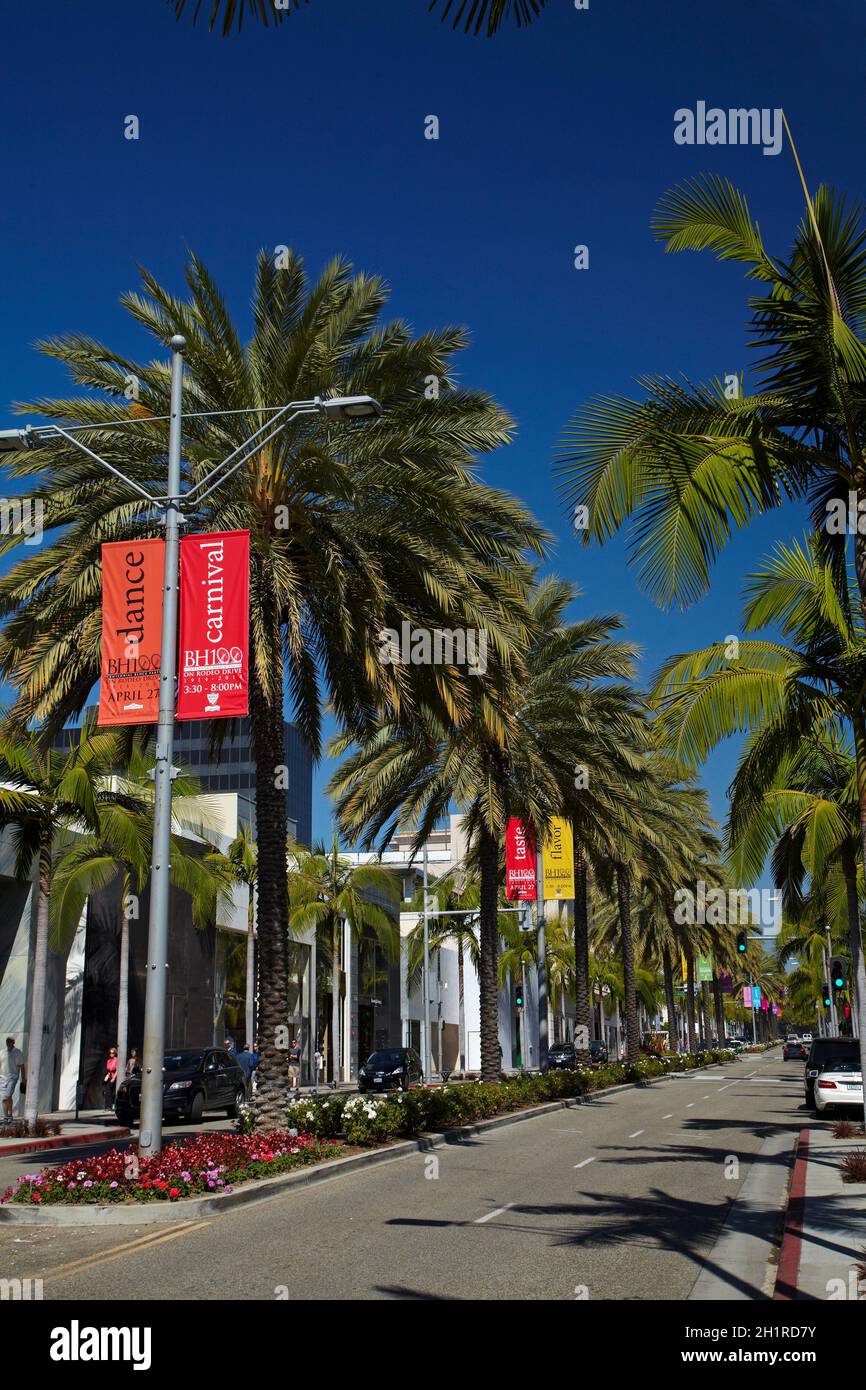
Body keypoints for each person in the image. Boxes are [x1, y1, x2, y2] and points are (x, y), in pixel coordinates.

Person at [1, 1036, 26, 1125]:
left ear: (13, 1042)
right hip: (2, 1078)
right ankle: (8, 1116)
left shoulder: (17, 1052)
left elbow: (22, 1066)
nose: (8, 1043)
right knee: (6, 1098)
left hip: (13, 1077)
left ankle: (7, 1116)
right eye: (7, 1041)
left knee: (6, 1097)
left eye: (10, 1041)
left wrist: (23, 1078)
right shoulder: (2, 1052)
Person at [102, 1045, 118, 1110]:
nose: (111, 1054)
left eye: (112, 1053)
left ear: (115, 1053)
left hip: (113, 1076)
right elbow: (108, 1069)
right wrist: (106, 1076)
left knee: (112, 1091)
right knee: (107, 1091)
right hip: (109, 1076)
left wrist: (114, 1078)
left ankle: (113, 1105)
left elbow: (117, 1069)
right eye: (110, 1053)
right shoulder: (108, 1060)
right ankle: (108, 1106)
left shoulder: (116, 1060)